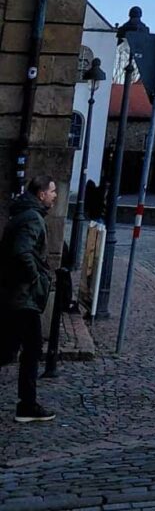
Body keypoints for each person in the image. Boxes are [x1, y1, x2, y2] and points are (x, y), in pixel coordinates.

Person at [0, 175, 58, 422]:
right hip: (23, 297)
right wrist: (35, 279)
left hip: (17, 296)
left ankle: (28, 404)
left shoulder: (24, 214)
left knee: (7, 350)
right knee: (31, 348)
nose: (55, 195)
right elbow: (22, 251)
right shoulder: (32, 219)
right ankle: (27, 405)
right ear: (41, 193)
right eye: (52, 191)